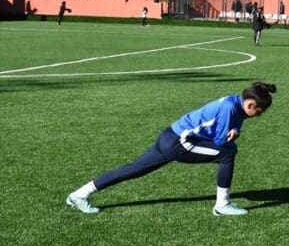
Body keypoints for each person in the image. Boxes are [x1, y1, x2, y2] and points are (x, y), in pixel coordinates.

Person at [66, 81, 276, 216]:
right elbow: (222, 142)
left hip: (170, 136)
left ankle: (79, 195)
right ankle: (222, 204)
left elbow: (235, 123)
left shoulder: (234, 101)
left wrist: (235, 131)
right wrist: (233, 138)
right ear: (250, 105)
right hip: (180, 143)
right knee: (228, 154)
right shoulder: (230, 108)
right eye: (259, 111)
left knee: (131, 170)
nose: (258, 115)